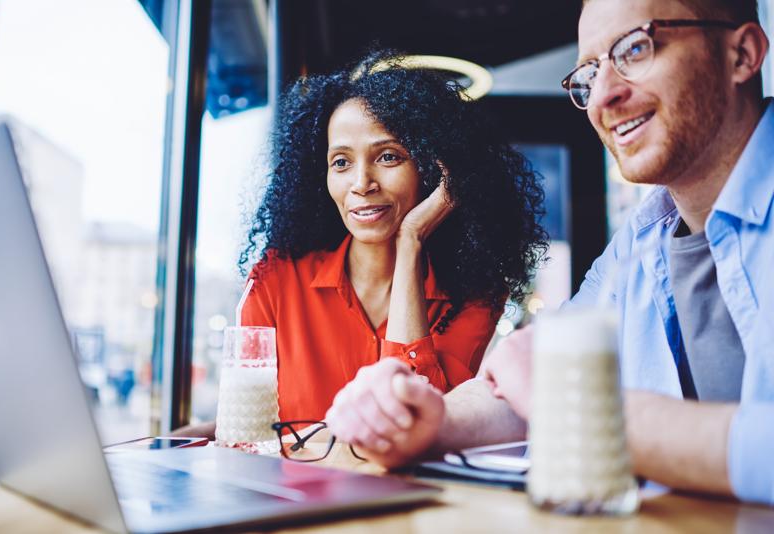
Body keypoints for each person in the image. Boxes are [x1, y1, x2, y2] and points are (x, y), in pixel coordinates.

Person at [326, 0, 774, 505]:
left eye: (636, 49)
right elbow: (525, 383)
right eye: (589, 72)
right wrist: (430, 420)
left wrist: (576, 407)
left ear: (742, 54)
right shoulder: (644, 238)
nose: (603, 94)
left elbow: (551, 393)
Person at [178, 50, 547, 437]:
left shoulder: (477, 295)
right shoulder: (276, 278)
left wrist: (411, 241)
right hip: (294, 496)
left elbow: (412, 423)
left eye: (388, 157)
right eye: (340, 162)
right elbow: (246, 428)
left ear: (433, 170)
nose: (361, 183)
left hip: (413, 497)